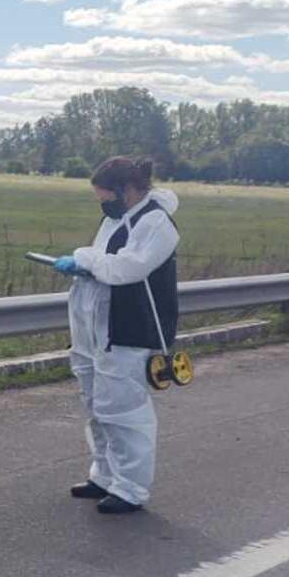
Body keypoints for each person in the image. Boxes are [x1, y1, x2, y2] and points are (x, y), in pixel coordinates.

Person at [49, 156, 179, 515]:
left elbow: (127, 268)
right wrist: (86, 266)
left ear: (128, 190)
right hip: (96, 328)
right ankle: (104, 476)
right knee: (97, 406)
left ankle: (131, 488)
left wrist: (84, 259)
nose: (102, 203)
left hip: (128, 330)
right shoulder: (117, 218)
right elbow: (104, 266)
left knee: (124, 411)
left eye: (105, 196)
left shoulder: (156, 224)